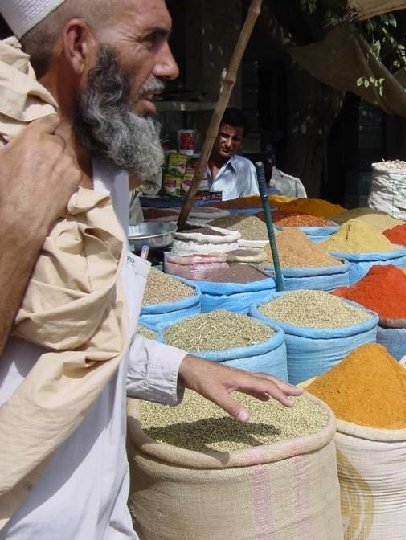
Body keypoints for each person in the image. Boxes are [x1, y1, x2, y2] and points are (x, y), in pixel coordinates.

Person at [0, 1, 301, 537]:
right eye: (149, 40)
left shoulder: (106, 166)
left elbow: (87, 338)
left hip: (105, 513)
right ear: (77, 45)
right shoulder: (11, 164)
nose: (170, 65)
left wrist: (179, 367)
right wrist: (17, 228)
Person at [205, 107, 259, 200]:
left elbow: (251, 204)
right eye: (224, 136)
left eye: (235, 139)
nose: (228, 144)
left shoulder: (245, 167)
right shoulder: (193, 165)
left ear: (241, 143)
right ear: (213, 134)